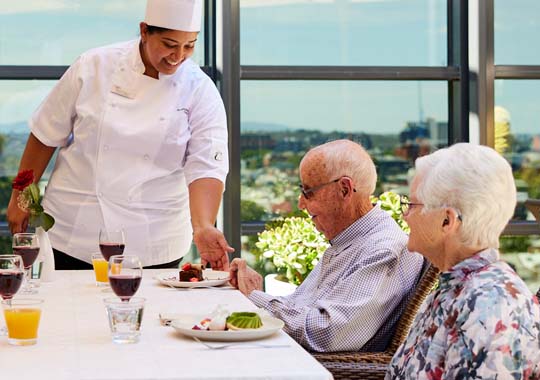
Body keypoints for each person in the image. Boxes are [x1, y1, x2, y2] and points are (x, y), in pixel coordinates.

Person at [6, 0, 233, 270]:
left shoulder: (200, 89)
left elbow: (206, 166)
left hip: (154, 239)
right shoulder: (94, 65)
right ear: (145, 31)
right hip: (74, 229)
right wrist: (21, 196)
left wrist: (204, 225)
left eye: (190, 45)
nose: (178, 56)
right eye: (170, 44)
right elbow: (45, 133)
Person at [230, 140, 424, 352]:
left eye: (308, 191)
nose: (301, 204)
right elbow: (302, 309)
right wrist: (255, 290)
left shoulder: (382, 249)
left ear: (344, 189)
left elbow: (324, 332)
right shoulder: (351, 239)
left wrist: (252, 297)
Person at [386, 143, 540, 379]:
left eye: (412, 205)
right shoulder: (457, 286)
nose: (405, 216)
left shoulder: (490, 305)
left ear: (447, 221)